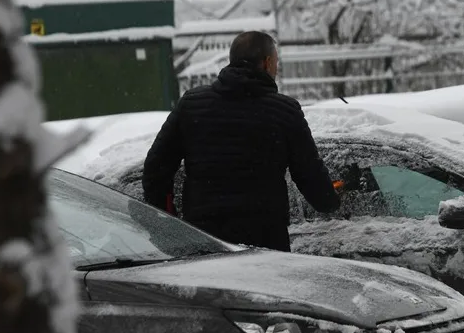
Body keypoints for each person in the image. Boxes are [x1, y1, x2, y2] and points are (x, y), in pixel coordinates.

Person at [141, 31, 342, 251]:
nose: (276, 68)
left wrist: (168, 220)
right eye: (276, 62)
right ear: (266, 63)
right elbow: (310, 176)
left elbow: (155, 168)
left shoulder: (191, 105)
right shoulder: (284, 111)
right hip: (265, 241)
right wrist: (332, 199)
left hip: (205, 240)